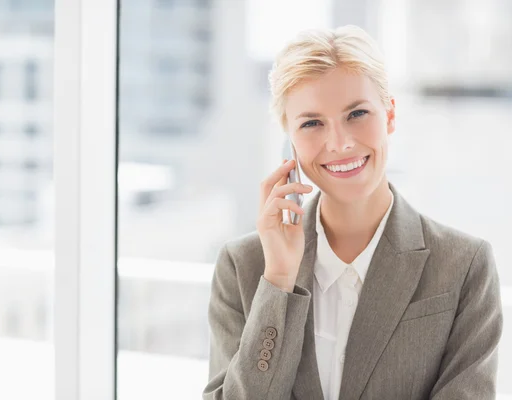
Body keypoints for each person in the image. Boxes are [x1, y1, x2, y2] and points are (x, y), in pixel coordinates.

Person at [202, 25, 503, 400]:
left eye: (357, 113)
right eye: (312, 123)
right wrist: (279, 280)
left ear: (390, 115)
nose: (340, 142)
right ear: (289, 136)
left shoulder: (464, 264)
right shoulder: (244, 266)